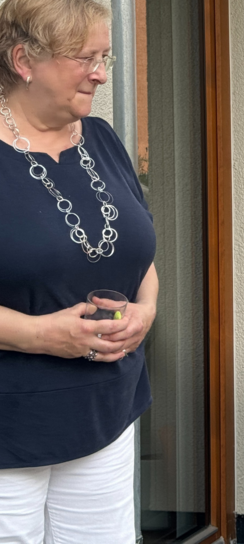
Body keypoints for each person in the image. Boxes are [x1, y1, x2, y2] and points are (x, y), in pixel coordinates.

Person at [0, 0, 158, 541]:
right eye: (84, 58)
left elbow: (142, 256)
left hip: (104, 417)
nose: (99, 74)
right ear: (24, 59)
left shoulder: (103, 139)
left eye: (105, 58)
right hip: (8, 432)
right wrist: (43, 334)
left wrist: (146, 311)